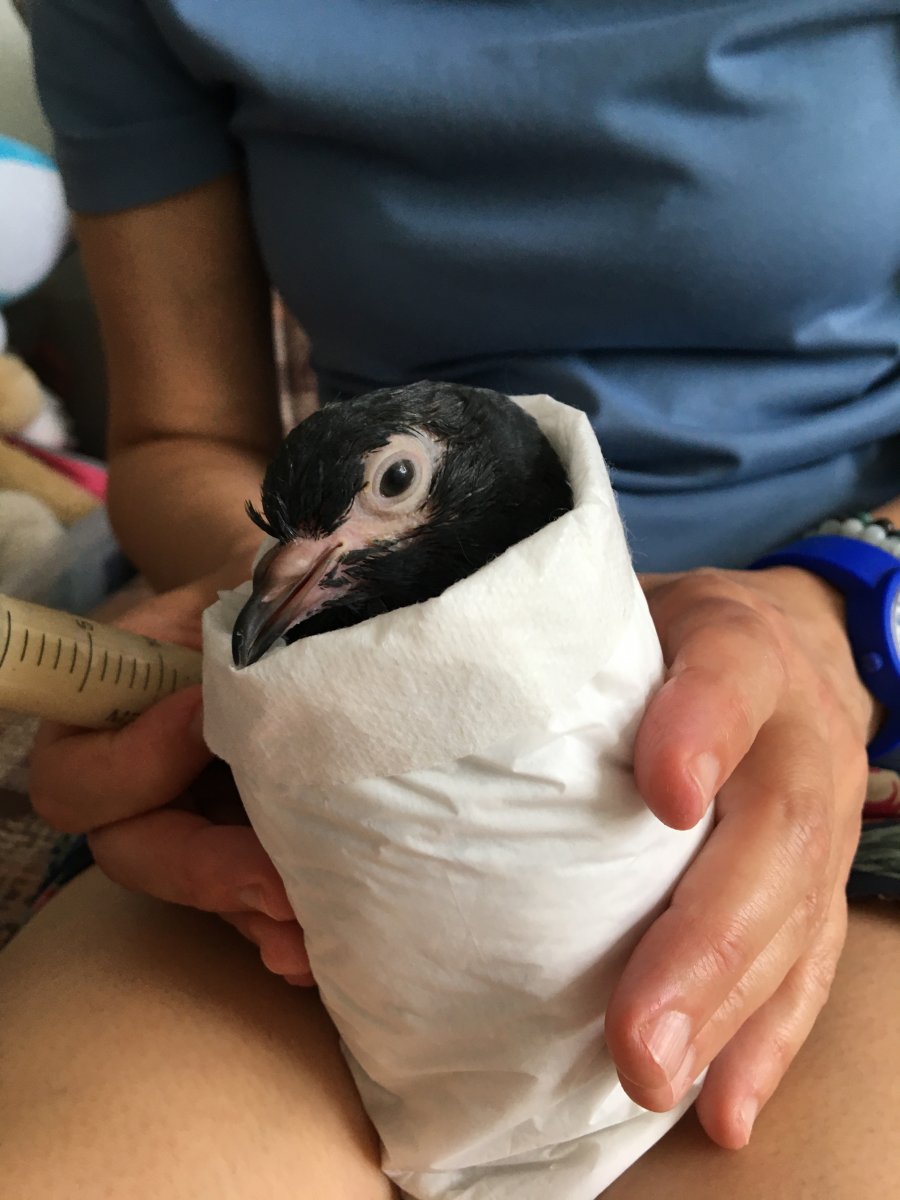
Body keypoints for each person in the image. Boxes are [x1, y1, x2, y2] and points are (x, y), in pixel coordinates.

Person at [1, 1, 897, 1196]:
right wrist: (324, 643)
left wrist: (848, 605)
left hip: (836, 662)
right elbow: (181, 438)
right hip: (345, 727)